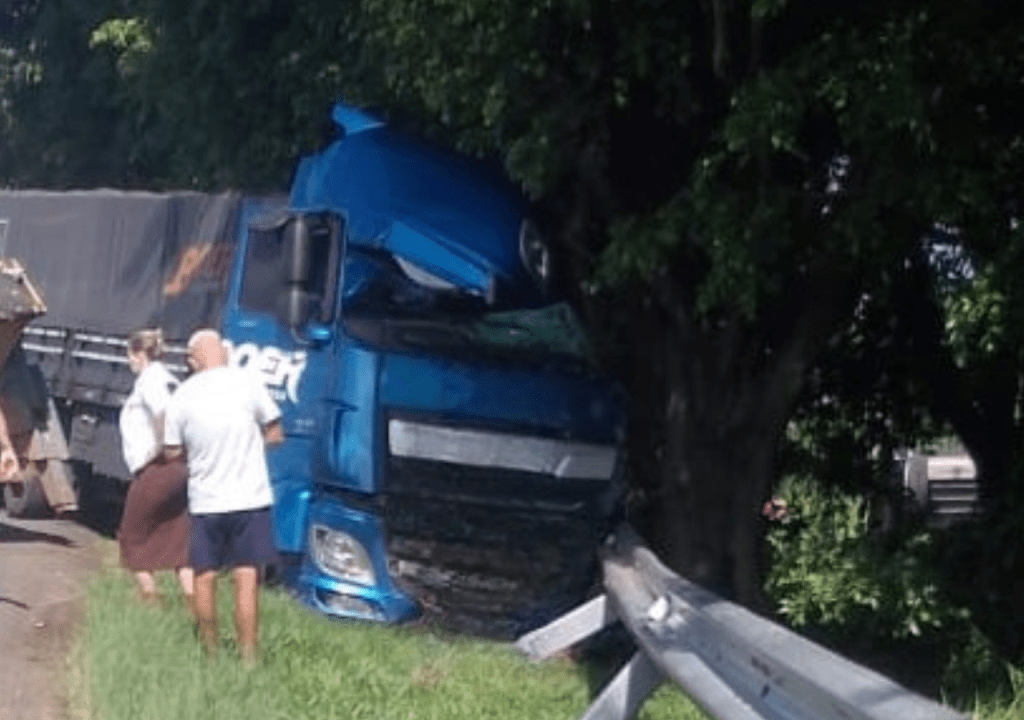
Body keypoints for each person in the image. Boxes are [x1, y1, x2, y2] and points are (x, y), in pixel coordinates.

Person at [164, 328, 283, 663]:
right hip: (251, 499)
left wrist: (197, 451)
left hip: (207, 501)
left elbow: (171, 451)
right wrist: (247, 445)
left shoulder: (182, 396)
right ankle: (247, 657)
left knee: (205, 576)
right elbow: (275, 433)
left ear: (192, 360)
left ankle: (211, 653)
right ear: (225, 354)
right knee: (247, 577)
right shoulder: (248, 384)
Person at [116, 329, 195, 613]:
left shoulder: (151, 380)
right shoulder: (172, 379)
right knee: (177, 535)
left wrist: (165, 448)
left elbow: (164, 414)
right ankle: (192, 601)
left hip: (158, 467)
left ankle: (150, 599)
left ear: (139, 355)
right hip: (181, 468)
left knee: (131, 534)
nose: (129, 363)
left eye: (129, 356)